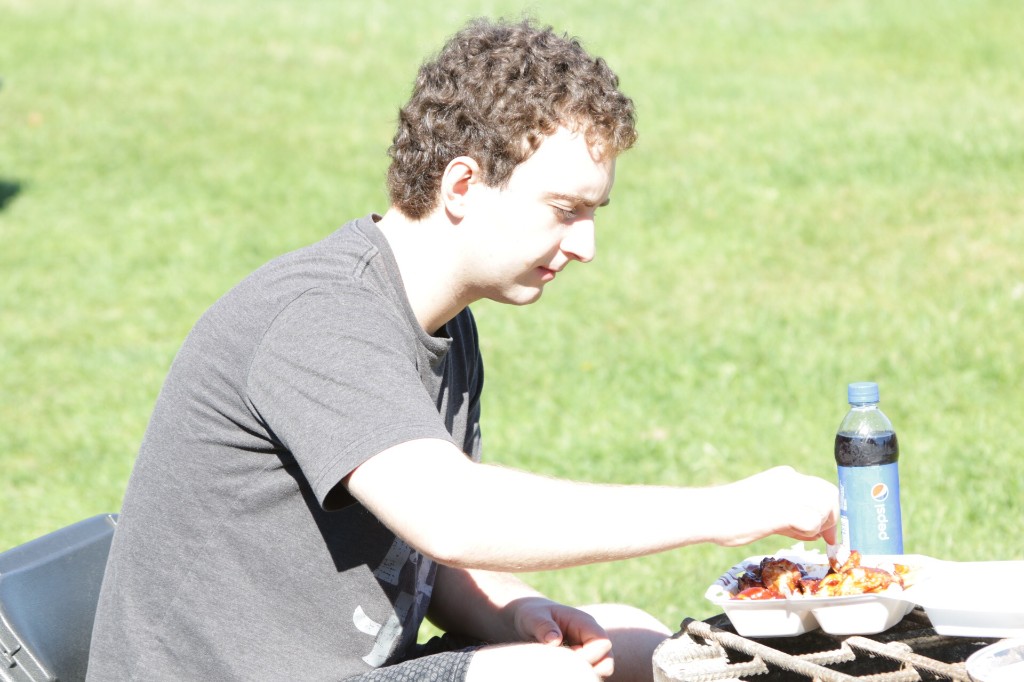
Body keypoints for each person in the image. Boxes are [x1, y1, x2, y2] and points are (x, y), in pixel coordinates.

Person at [86, 17, 839, 682]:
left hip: (351, 662)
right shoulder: (321, 318)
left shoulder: (445, 321)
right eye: (565, 211)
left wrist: (514, 612)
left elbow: (412, 552)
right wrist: (727, 509)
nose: (587, 245)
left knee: (640, 642)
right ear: (463, 184)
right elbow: (451, 514)